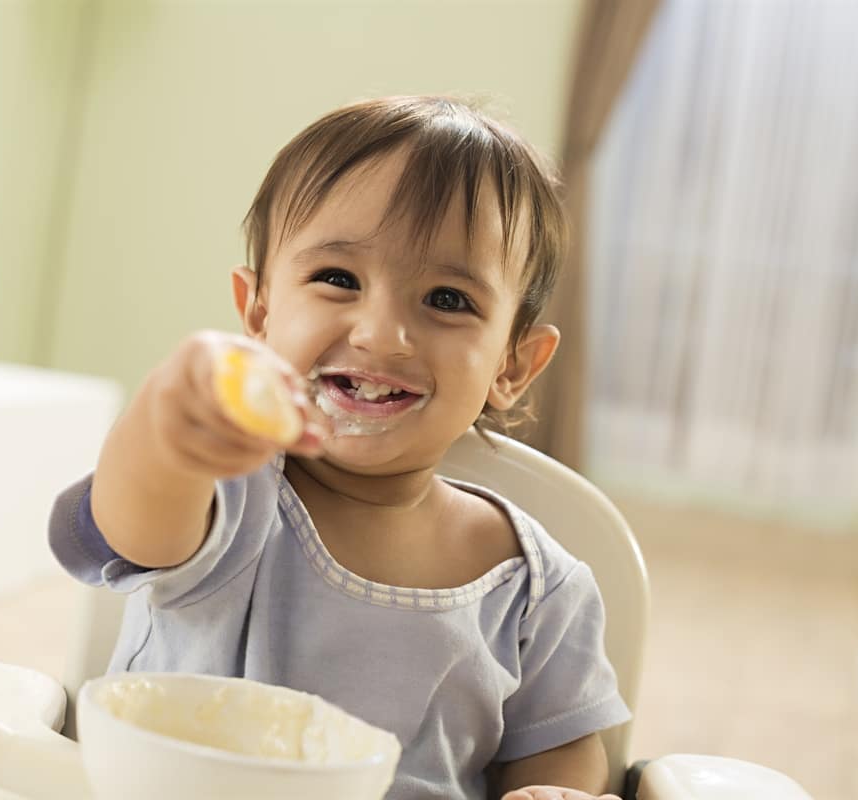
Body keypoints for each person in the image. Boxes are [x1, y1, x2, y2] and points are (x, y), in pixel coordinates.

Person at [50, 96, 629, 800]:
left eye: (448, 300)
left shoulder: (540, 592)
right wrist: (170, 428)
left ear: (513, 364)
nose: (382, 335)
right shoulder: (227, 496)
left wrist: (555, 790)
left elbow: (561, 750)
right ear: (259, 313)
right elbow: (130, 520)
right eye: (338, 279)